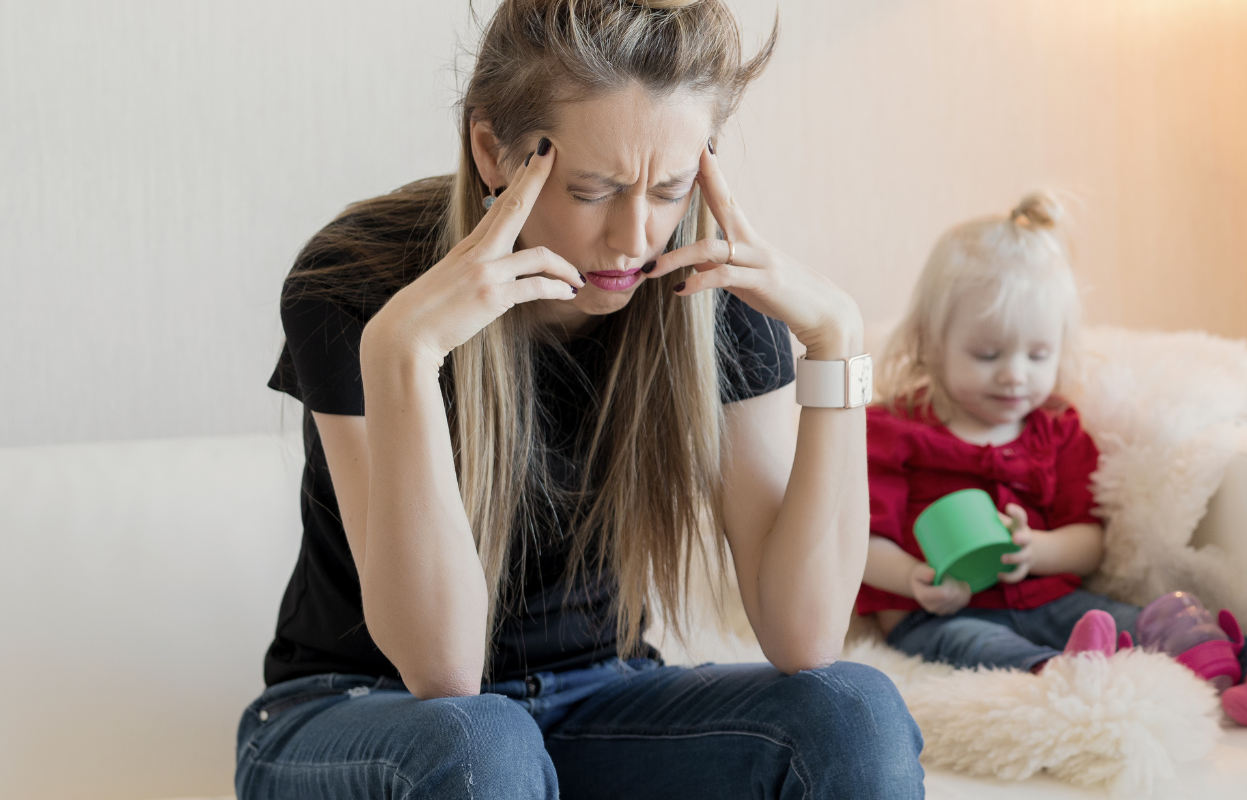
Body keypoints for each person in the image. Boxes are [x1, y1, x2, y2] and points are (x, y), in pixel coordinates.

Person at [238, 1, 921, 797]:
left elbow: (804, 637)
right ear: (492, 151)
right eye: (594, 190)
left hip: (598, 700)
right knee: (482, 746)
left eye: (669, 188)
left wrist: (839, 346)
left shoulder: (711, 293)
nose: (635, 237)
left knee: (853, 713)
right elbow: (442, 670)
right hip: (365, 711)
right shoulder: (359, 281)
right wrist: (403, 358)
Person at [857, 191, 1247, 726]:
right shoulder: (893, 431)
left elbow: (1089, 543)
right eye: (987, 354)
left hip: (1050, 601)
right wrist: (912, 577)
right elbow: (861, 541)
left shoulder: (1057, 430)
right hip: (939, 613)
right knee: (974, 644)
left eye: (1038, 355)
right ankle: (1062, 670)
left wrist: (1038, 549)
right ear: (930, 344)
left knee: (1137, 618)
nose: (1014, 375)